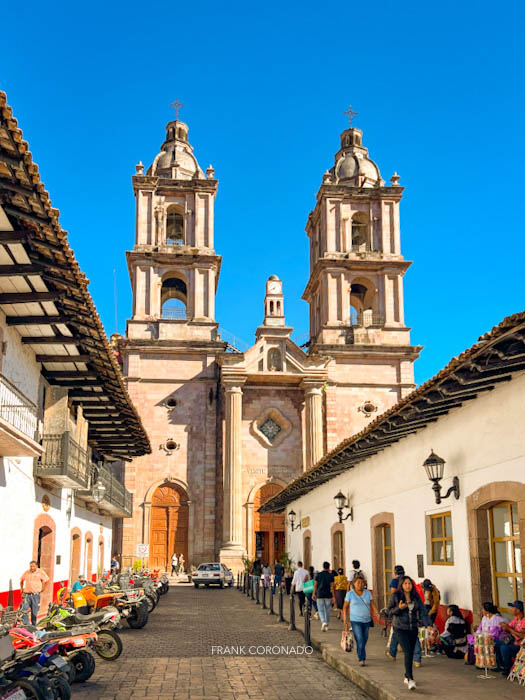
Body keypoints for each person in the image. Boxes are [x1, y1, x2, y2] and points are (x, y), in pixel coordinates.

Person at [388, 575, 433, 691]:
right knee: (407, 651)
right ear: (401, 585)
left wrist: (428, 625)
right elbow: (389, 611)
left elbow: (423, 611)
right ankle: (410, 678)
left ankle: (406, 675)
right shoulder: (396, 596)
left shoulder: (415, 596)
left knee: (411, 652)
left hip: (412, 628)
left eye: (409, 583)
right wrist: (399, 608)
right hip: (399, 628)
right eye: (405, 583)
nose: (408, 586)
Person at [386, 565, 422, 666]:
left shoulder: (395, 581)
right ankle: (416, 659)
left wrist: (397, 607)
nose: (407, 585)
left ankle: (393, 653)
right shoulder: (411, 580)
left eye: (408, 584)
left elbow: (393, 594)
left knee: (397, 633)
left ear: (395, 572)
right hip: (409, 615)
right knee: (413, 637)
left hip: (401, 614)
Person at [343, 572, 378, 666]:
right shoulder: (350, 594)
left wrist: (376, 612)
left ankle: (360, 651)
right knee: (360, 639)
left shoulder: (367, 593)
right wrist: (345, 621)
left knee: (364, 639)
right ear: (353, 584)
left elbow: (372, 604)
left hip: (366, 620)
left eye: (362, 583)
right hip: (355, 620)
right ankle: (361, 658)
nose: (360, 584)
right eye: (358, 582)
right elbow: (345, 607)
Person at [494, 600, 525, 676]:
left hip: (519, 645)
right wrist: (504, 627)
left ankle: (508, 668)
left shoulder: (524, 621)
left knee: (504, 648)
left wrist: (509, 628)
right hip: (512, 642)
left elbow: (521, 636)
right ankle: (501, 665)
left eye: (512, 608)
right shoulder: (515, 619)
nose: (511, 610)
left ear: (518, 610)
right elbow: (509, 629)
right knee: (496, 643)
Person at [20, 560, 49, 626]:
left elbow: (47, 580)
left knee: (34, 612)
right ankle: (27, 624)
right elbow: (21, 580)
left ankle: (33, 625)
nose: (32, 568)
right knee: (24, 610)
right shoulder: (26, 572)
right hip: (27, 595)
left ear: (36, 566)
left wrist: (43, 588)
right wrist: (21, 589)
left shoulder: (40, 572)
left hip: (35, 595)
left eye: (33, 566)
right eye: (30, 566)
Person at [313, 561, 335, 631]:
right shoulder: (331, 575)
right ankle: (327, 623)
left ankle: (323, 622)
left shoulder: (318, 575)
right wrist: (333, 596)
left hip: (320, 594)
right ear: (329, 567)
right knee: (327, 610)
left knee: (320, 610)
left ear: (323, 566)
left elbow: (315, 585)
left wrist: (314, 593)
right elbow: (332, 587)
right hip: (328, 594)